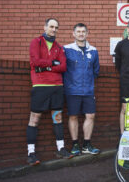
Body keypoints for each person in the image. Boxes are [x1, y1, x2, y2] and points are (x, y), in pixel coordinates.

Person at [26, 18, 73, 165]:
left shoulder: (59, 47)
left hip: (57, 86)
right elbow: (34, 62)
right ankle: (31, 152)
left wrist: (45, 66)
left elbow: (63, 66)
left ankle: (61, 148)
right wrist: (52, 63)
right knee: (34, 118)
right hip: (40, 86)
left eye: (56, 27)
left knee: (57, 118)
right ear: (45, 27)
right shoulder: (36, 42)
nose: (54, 30)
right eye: (51, 26)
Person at [64, 23, 100, 156]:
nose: (81, 34)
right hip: (72, 90)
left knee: (90, 116)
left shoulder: (94, 51)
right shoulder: (66, 49)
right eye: (78, 31)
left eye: (83, 31)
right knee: (73, 116)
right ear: (73, 34)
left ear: (87, 33)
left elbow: (96, 71)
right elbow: (63, 69)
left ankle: (86, 144)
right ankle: (74, 145)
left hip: (88, 91)